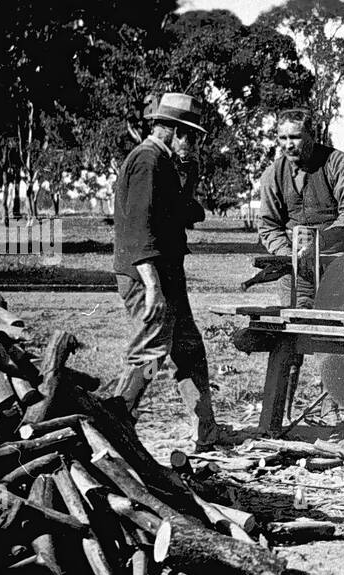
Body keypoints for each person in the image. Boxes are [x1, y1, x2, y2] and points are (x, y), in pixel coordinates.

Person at [111, 91, 223, 452]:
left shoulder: (166, 163)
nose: (193, 143)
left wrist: (189, 175)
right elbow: (137, 228)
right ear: (174, 130)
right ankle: (116, 427)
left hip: (167, 274)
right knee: (149, 354)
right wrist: (153, 287)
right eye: (189, 135)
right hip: (149, 277)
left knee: (188, 350)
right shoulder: (146, 160)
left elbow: (183, 212)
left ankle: (206, 430)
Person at [257, 108, 344, 308]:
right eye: (283, 138)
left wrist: (320, 243)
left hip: (337, 262)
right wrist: (287, 254)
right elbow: (268, 225)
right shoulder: (272, 175)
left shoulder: (338, 164)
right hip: (294, 270)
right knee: (298, 324)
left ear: (311, 135)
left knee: (342, 326)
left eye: (295, 137)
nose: (288, 145)